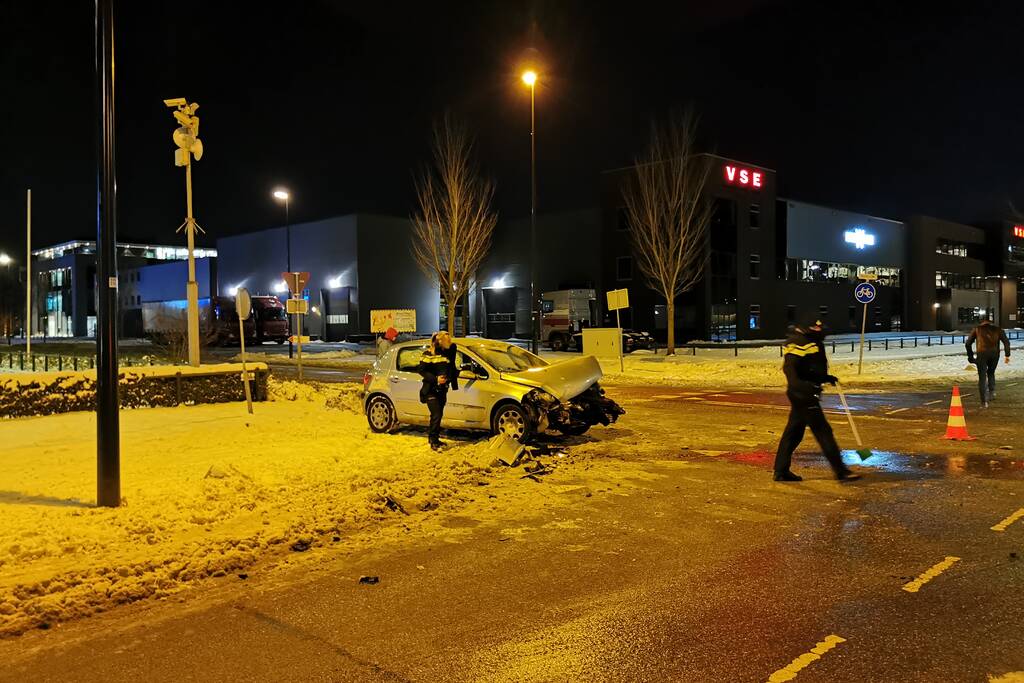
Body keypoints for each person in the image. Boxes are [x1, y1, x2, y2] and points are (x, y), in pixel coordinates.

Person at [773, 318, 861, 483]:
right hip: (804, 396)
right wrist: (806, 387)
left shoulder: (810, 341)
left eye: (819, 326)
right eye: (815, 326)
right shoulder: (797, 343)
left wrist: (824, 377)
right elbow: (791, 371)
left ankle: (781, 470)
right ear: (804, 327)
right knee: (823, 432)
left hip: (803, 394)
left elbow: (810, 368)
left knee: (793, 434)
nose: (819, 329)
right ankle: (841, 471)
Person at [417, 333, 456, 450]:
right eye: (445, 341)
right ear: (439, 342)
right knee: (436, 414)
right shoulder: (428, 354)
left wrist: (447, 379)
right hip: (430, 389)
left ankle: (434, 438)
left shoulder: (446, 354)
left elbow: (453, 352)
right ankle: (433, 440)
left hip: (442, 390)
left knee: (438, 415)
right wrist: (436, 379)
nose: (448, 343)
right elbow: (421, 370)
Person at [966, 316, 1011, 408]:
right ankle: (992, 392)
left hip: (981, 354)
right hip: (994, 354)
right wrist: (1007, 355)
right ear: (990, 322)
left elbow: (968, 343)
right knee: (991, 372)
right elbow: (1006, 342)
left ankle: (984, 402)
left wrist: (970, 356)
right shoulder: (998, 329)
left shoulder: (977, 329)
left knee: (982, 377)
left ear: (981, 322)